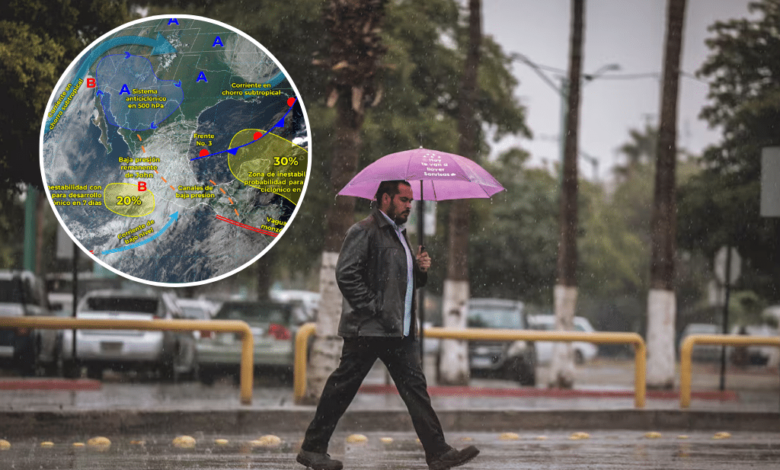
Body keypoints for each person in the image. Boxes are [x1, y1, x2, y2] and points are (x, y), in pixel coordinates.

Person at [297, 180, 479, 470]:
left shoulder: (399, 235)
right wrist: (376, 309)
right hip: (369, 330)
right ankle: (312, 448)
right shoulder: (365, 231)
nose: (409, 205)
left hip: (398, 331)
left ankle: (438, 452)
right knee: (342, 387)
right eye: (404, 199)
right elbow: (346, 275)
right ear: (385, 198)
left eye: (411, 200)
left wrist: (419, 271)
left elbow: (401, 285)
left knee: (416, 390)